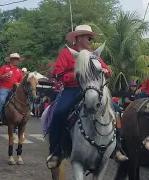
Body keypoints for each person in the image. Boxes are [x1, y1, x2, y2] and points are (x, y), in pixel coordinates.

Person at [47, 24, 127, 168]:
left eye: (91, 37)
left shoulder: (93, 54)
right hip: (73, 89)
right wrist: (79, 75)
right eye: (88, 37)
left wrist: (103, 71)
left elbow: (106, 70)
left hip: (94, 90)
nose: (91, 39)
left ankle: (117, 148)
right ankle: (55, 151)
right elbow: (59, 74)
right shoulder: (66, 53)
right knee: (59, 113)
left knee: (116, 110)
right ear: (78, 38)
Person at [0, 53, 24, 126]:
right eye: (14, 59)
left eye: (17, 59)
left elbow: (21, 81)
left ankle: (19, 121)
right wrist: (4, 76)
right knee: (1, 100)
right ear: (10, 60)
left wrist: (18, 84)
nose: (16, 61)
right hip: (4, 88)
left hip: (15, 90)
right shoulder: (4, 68)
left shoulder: (19, 70)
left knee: (21, 102)